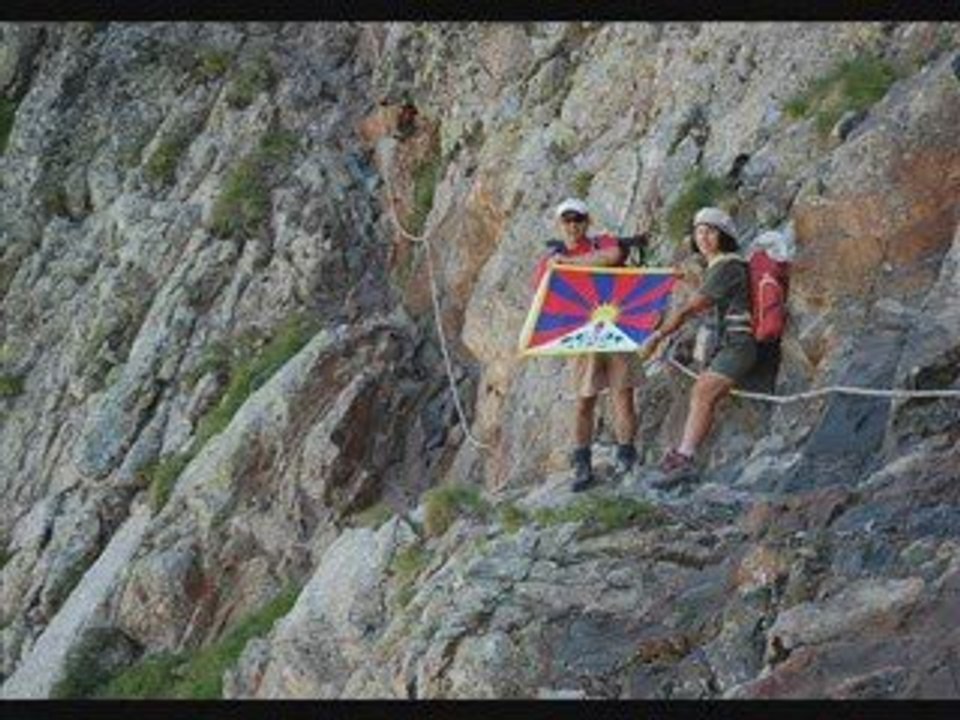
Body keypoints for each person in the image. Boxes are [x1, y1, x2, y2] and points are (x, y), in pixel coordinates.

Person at [639, 206, 757, 484]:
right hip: (728, 343)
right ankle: (683, 455)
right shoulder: (718, 266)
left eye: (711, 232)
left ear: (724, 236)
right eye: (699, 231)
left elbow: (690, 308)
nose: (703, 237)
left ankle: (685, 458)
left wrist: (656, 337)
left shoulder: (728, 266)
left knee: (703, 392)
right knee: (702, 392)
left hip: (738, 345)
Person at [536, 198, 643, 492]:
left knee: (623, 395)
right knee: (585, 399)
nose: (573, 226)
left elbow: (612, 256)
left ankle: (626, 456)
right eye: (567, 221)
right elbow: (545, 291)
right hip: (583, 334)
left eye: (578, 220)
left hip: (616, 327)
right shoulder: (550, 257)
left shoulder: (599, 244)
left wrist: (569, 264)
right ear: (560, 224)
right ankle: (582, 462)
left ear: (587, 221)